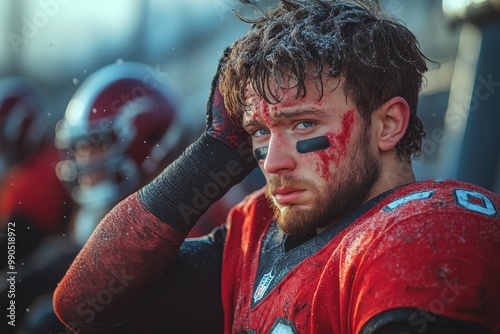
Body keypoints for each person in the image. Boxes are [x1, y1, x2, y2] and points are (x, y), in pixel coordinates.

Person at [53, 1, 500, 333]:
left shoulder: (427, 225)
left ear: (388, 124)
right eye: (260, 132)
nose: (273, 161)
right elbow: (85, 307)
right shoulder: (258, 230)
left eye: (303, 122)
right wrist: (215, 150)